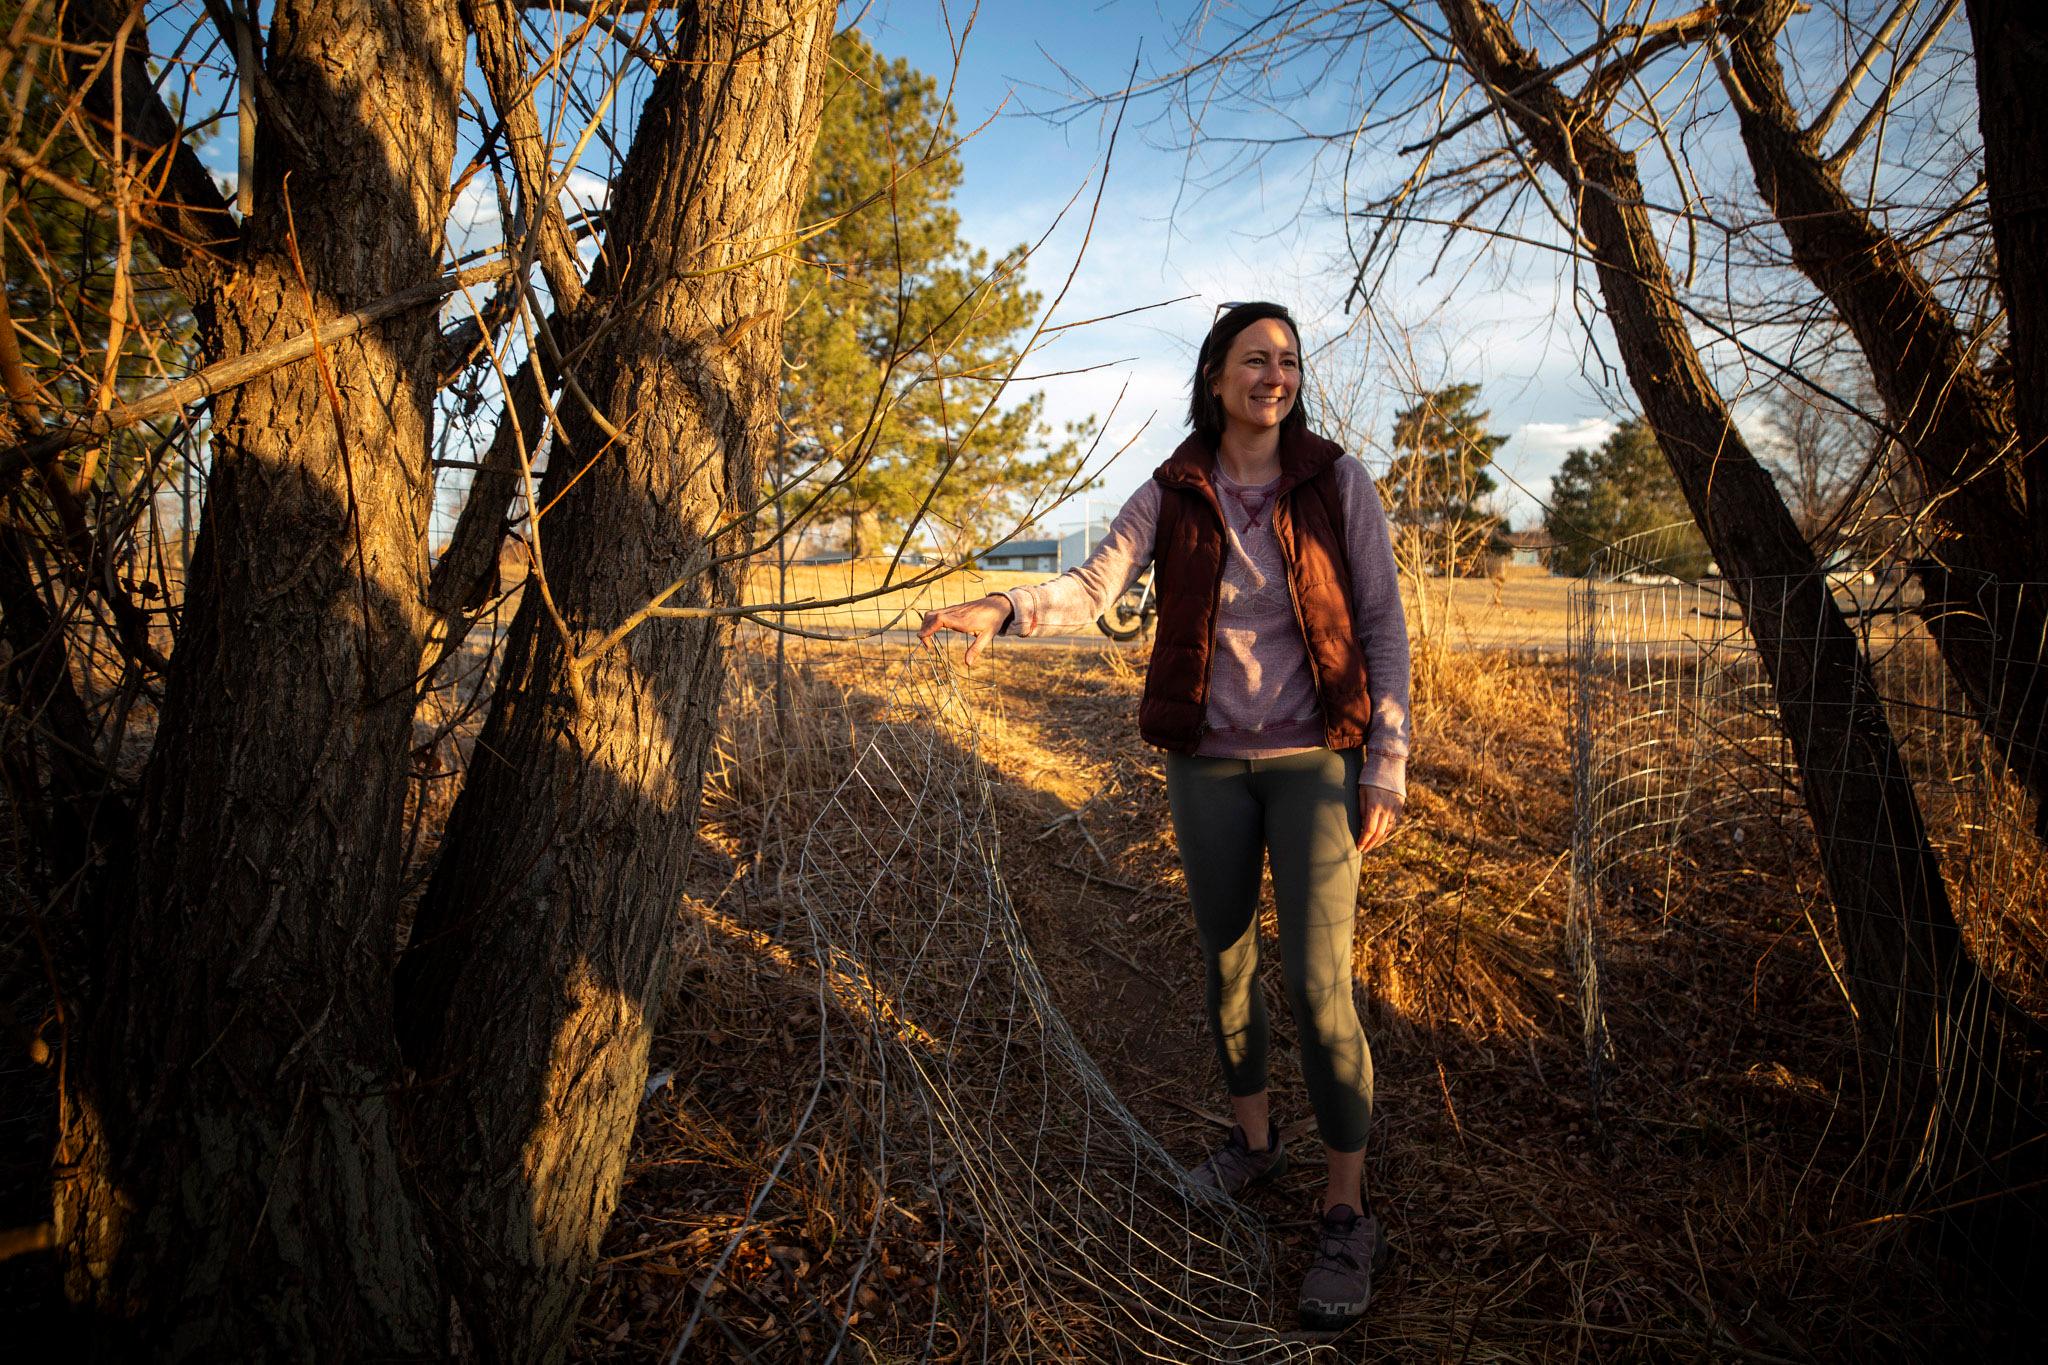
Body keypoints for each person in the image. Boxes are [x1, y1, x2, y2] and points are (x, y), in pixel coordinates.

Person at [919, 301, 1412, 1331]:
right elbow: (1096, 584)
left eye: (1285, 360)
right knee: (1225, 961)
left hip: (1316, 762)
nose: (1271, 375)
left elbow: (1378, 622)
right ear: (1215, 374)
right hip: (1208, 767)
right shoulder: (1175, 488)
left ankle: (1343, 1205)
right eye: (1252, 359)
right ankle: (1252, 1144)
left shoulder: (1334, 482)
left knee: (1320, 986)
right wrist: (1002, 609)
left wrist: (1386, 765)